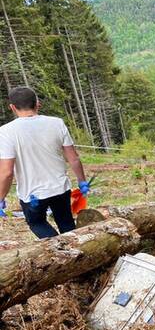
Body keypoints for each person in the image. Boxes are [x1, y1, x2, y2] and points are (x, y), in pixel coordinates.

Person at [0, 87, 90, 238]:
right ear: (37, 104)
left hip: (32, 195)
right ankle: (75, 251)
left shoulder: (6, 131)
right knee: (66, 222)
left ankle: (60, 250)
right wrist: (82, 181)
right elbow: (73, 158)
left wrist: (1, 197)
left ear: (12, 107)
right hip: (60, 188)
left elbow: (7, 172)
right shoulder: (57, 123)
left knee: (37, 223)